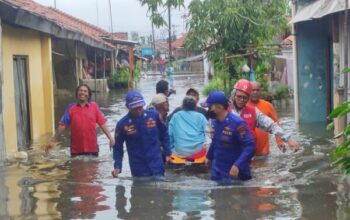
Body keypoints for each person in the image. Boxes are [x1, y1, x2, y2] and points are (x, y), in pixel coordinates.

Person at [112, 90, 172, 178]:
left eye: (140, 107)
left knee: (160, 189)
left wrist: (168, 153)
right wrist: (117, 166)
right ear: (128, 107)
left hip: (156, 165)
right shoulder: (122, 124)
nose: (138, 110)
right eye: (135, 108)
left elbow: (164, 134)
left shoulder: (154, 116)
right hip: (138, 168)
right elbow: (117, 148)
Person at [230, 79, 299, 153]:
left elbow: (272, 125)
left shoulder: (254, 111)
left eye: (245, 97)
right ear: (234, 95)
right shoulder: (224, 109)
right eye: (239, 96)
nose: (241, 100)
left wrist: (287, 139)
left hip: (253, 152)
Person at [44, 84, 114, 156]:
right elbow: (62, 125)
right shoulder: (70, 108)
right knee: (77, 167)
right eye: (80, 91)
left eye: (85, 91)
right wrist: (53, 141)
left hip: (92, 148)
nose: (82, 93)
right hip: (76, 150)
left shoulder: (94, 107)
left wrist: (111, 138)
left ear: (89, 95)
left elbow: (102, 123)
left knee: (93, 166)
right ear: (77, 94)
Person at [205, 91, 255, 183]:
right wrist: (209, 157)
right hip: (218, 172)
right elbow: (215, 141)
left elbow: (250, 146)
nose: (208, 110)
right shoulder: (215, 122)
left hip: (235, 174)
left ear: (219, 107)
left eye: (209, 107)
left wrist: (237, 165)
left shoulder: (237, 123)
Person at [249, 81, 285, 155]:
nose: (255, 92)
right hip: (248, 148)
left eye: (257, 90)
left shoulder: (268, 105)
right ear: (248, 91)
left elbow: (276, 124)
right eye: (253, 90)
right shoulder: (243, 106)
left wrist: (279, 141)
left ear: (260, 91)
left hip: (264, 150)